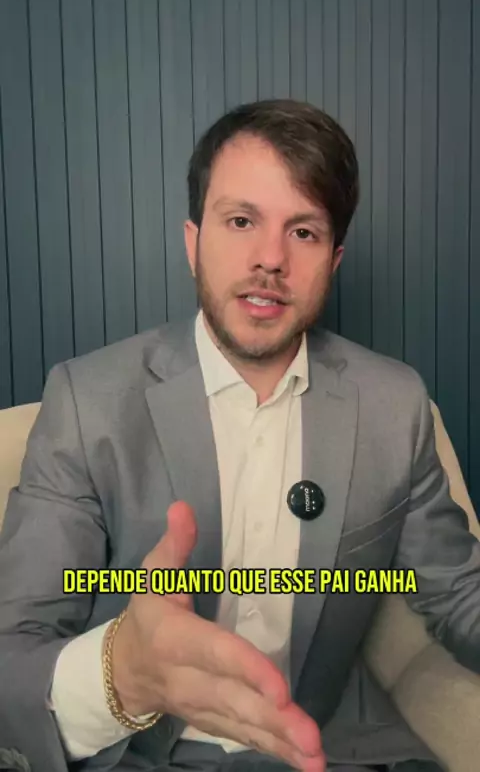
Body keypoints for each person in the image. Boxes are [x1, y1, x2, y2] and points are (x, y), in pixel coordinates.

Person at [0, 99, 479, 772]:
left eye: (304, 232)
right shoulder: (88, 401)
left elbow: (459, 594)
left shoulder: (394, 406)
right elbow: (13, 650)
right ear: (192, 242)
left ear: (334, 259)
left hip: (329, 750)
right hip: (137, 752)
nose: (270, 259)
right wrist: (122, 678)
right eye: (241, 221)